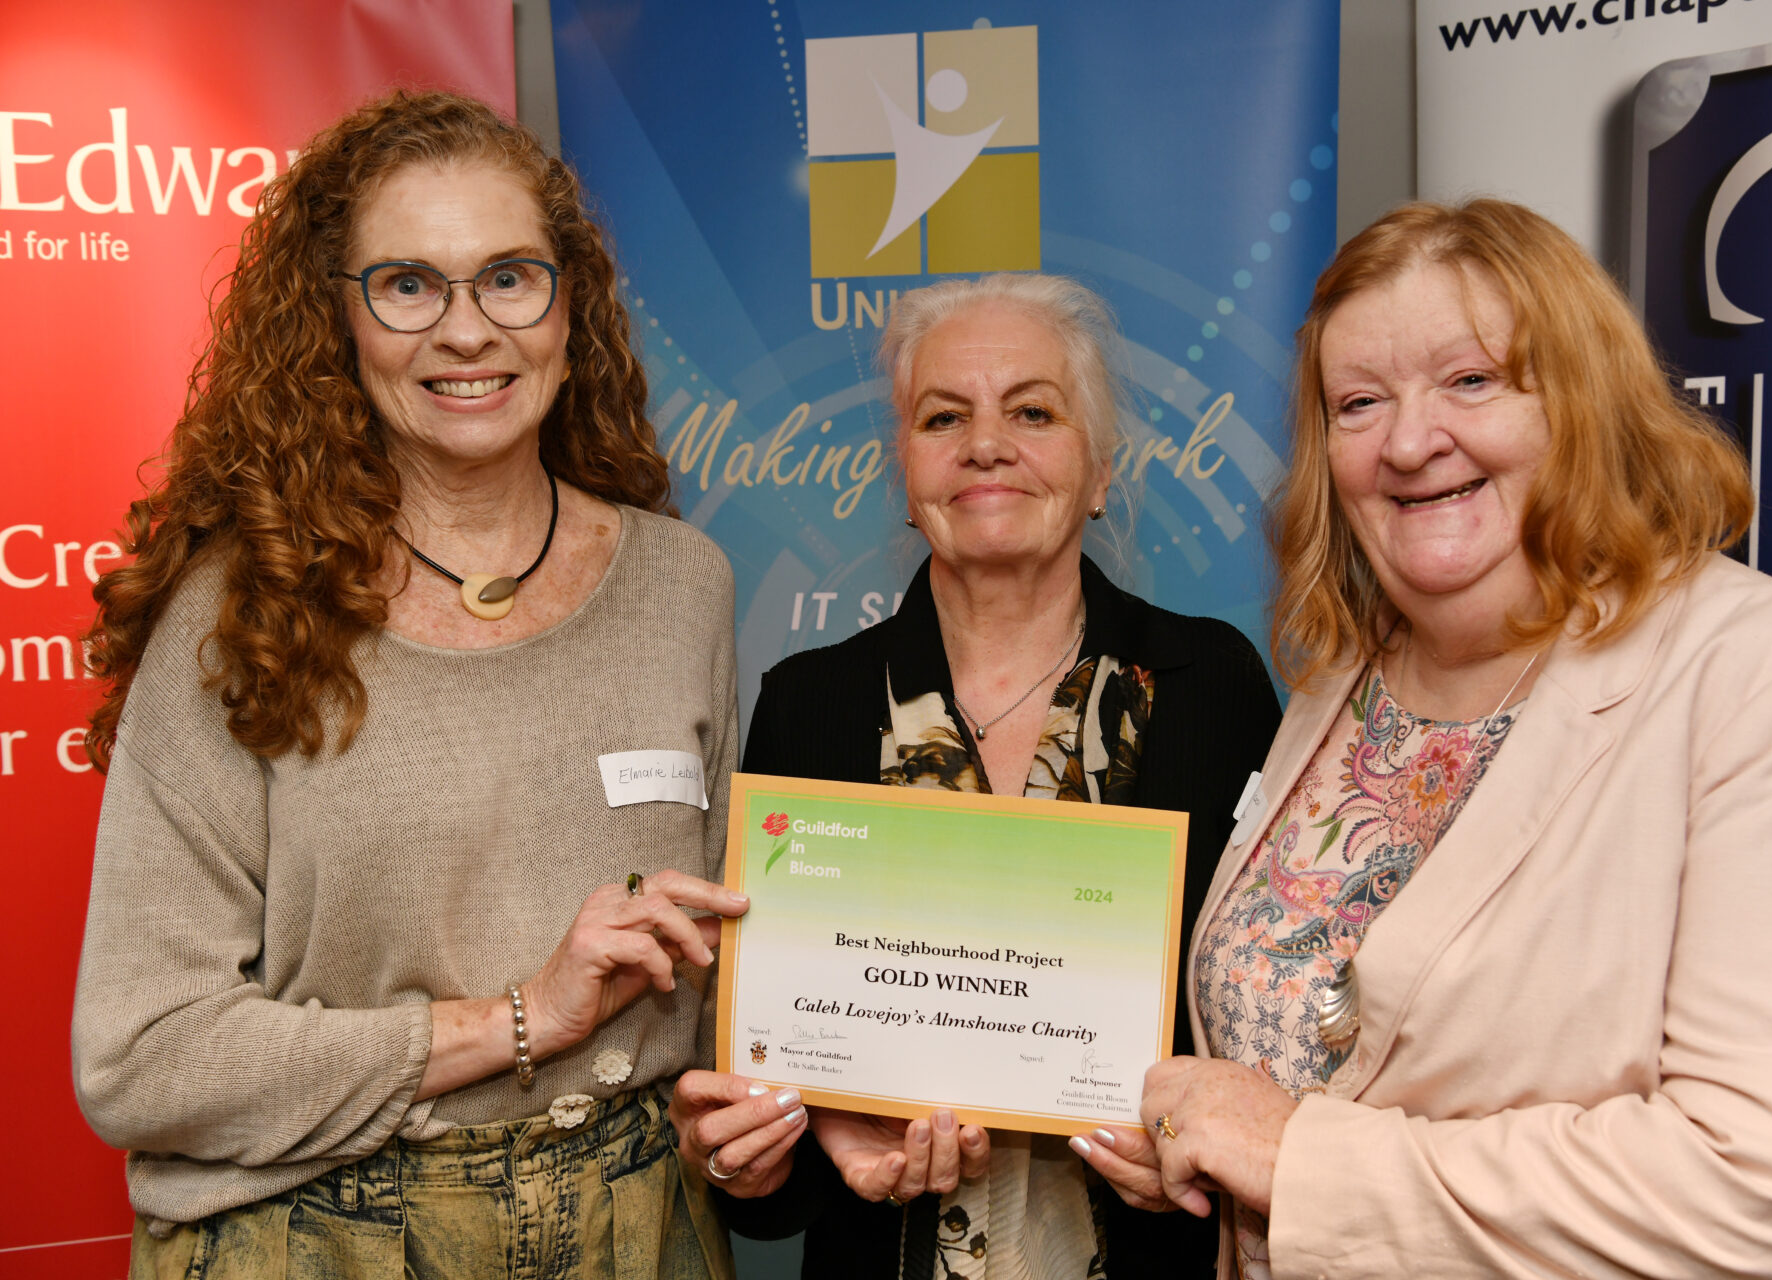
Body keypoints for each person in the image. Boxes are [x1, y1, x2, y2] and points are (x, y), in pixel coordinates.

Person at [1072, 198, 1772, 1277]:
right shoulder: (1342, 679)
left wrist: (1301, 1160)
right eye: (1361, 401)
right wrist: (1210, 1135)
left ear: (1585, 401)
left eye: (1472, 380)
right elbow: (1320, 1049)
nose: (1413, 440)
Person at [70, 90, 802, 1279]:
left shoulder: (681, 585)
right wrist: (517, 1018)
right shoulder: (240, 611)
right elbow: (142, 1056)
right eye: (409, 284)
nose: (468, 330)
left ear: (571, 307)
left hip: (637, 1227)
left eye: (510, 277)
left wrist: (755, 1124)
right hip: (319, 1234)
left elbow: (719, 981)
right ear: (338, 321)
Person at [671, 273, 1282, 1279]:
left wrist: (1193, 1156)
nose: (985, 444)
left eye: (1033, 410)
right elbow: (774, 1111)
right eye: (942, 415)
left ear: (1098, 468)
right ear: (905, 472)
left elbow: (1274, 1031)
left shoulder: (1210, 685)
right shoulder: (807, 705)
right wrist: (756, 1152)